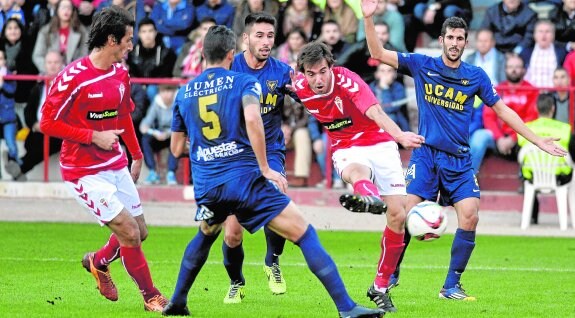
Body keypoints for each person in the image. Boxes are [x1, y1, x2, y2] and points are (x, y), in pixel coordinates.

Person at [162, 24, 384, 318]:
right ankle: (346, 307)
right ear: (232, 53)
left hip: (208, 184)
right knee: (305, 234)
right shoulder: (243, 82)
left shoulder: (184, 92)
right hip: (243, 180)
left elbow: (177, 148)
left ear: (202, 54)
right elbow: (253, 121)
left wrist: (210, 146)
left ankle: (177, 301)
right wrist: (265, 168)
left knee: (205, 234)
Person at [361, 0, 567, 302]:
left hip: (458, 160)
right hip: (426, 156)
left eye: (460, 38)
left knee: (470, 216)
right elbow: (377, 53)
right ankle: (389, 276)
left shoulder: (476, 76)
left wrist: (536, 139)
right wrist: (368, 18)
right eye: (450, 38)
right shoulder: (422, 65)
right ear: (441, 40)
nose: (455, 43)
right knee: (402, 215)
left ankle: (451, 286)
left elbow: (503, 110)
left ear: (465, 42)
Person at [38, 6, 168, 312]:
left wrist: (136, 155)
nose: (131, 45)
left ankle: (98, 262)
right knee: (129, 232)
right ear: (111, 40)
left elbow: (124, 116)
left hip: (114, 163)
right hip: (83, 171)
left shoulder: (121, 73)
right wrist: (92, 136)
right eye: (127, 39)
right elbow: (47, 123)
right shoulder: (72, 78)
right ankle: (152, 297)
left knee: (141, 232)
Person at [289, 41, 425, 313]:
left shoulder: (348, 81)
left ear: (331, 67)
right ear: (303, 73)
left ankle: (380, 286)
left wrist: (399, 136)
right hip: (345, 146)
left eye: (323, 71)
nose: (317, 79)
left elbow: (375, 112)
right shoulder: (296, 84)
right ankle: (368, 195)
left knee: (398, 215)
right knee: (355, 171)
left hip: (380, 141)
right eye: (311, 73)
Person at [219, 12, 297, 303]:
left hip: (270, 151)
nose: (266, 42)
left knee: (276, 199)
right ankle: (236, 282)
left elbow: (309, 96)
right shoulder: (229, 67)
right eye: (259, 35)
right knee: (232, 235)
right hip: (234, 155)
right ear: (245, 38)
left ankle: (272, 261)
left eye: (270, 36)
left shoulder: (282, 72)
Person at [5, 50, 64, 181]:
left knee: (44, 144)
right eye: (49, 62)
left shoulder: (68, 85)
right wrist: (34, 124)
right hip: (40, 129)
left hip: (60, 132)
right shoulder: (39, 86)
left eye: (56, 62)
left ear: (61, 64)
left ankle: (19, 166)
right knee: (33, 142)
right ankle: (19, 169)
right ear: (45, 65)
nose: (53, 65)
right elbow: (28, 111)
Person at [517, 93, 575, 224]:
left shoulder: (526, 129)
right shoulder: (565, 129)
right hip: (560, 177)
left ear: (536, 109)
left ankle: (532, 217)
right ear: (553, 108)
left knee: (523, 172)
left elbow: (519, 154)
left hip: (532, 176)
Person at [139, 84, 178, 185]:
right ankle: (152, 172)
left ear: (174, 92)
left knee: (177, 138)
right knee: (145, 139)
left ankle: (171, 173)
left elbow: (183, 126)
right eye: (163, 92)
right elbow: (144, 125)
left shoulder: (179, 103)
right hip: (159, 135)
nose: (166, 95)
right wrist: (154, 133)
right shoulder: (157, 103)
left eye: (169, 91)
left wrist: (168, 133)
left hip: (173, 134)